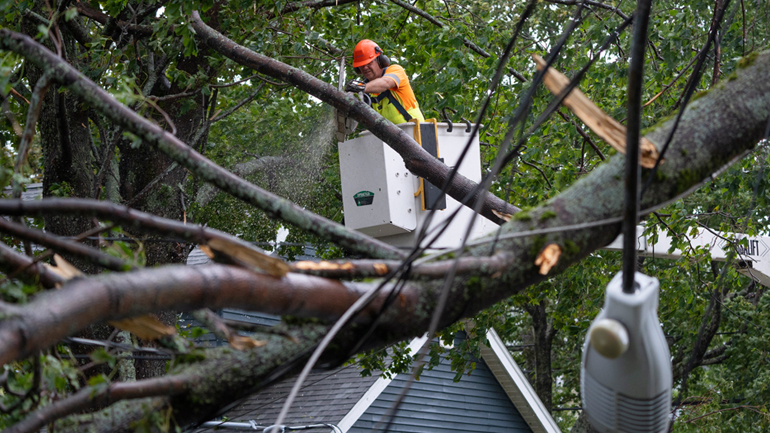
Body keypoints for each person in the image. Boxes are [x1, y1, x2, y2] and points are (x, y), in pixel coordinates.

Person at [345, 40, 425, 124]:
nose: (365, 68)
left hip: (415, 131)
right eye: (361, 65)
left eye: (369, 63)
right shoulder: (365, 89)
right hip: (390, 135)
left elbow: (386, 83)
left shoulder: (396, 70)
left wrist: (361, 87)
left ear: (379, 60)